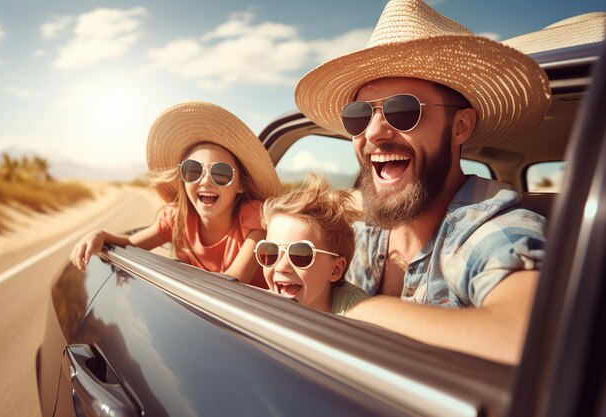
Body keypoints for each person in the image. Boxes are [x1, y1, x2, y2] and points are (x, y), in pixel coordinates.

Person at [294, 0, 551, 364]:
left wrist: (366, 314)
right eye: (358, 116)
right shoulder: (367, 227)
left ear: (460, 126)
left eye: (403, 111)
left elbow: (536, 337)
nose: (374, 132)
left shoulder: (486, 228)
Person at [70, 101, 281, 287]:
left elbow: (234, 280)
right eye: (193, 170)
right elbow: (133, 244)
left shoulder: (253, 218)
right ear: (183, 177)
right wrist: (102, 235)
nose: (205, 180)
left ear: (240, 186)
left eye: (221, 173)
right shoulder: (176, 218)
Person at [255, 174, 367, 315]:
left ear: (335, 270)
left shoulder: (354, 308)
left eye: (300, 254)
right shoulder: (264, 306)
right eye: (271, 252)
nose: (281, 267)